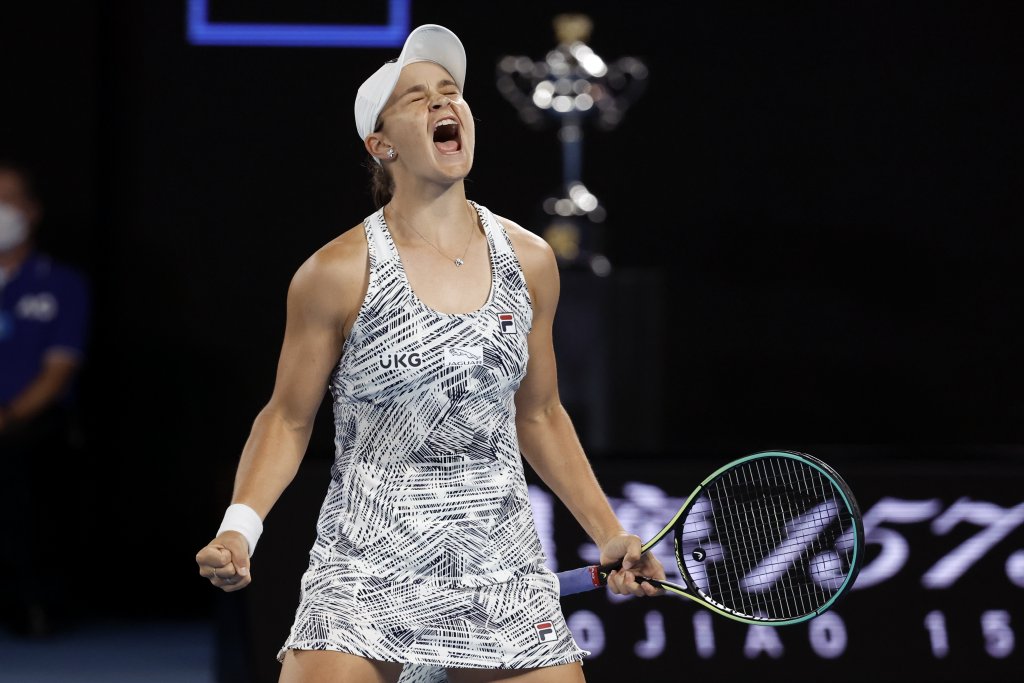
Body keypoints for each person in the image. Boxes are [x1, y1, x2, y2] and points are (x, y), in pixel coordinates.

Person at [195, 24, 665, 683]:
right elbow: (287, 419)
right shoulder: (334, 272)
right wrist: (239, 528)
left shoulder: (531, 260)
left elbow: (539, 414)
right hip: (366, 572)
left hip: (499, 569)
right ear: (380, 144)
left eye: (451, 92)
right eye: (417, 98)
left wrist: (609, 531)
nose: (444, 102)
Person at [0, 159, 91, 636]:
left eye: (8, 199)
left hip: (31, 422)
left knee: (23, 466)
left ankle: (33, 601)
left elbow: (57, 372)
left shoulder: (60, 283)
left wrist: (9, 415)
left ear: (31, 210)